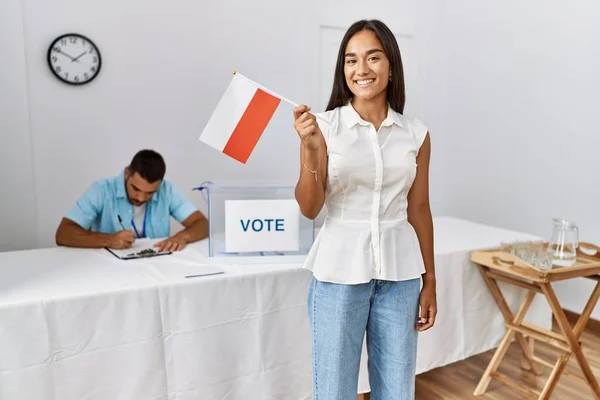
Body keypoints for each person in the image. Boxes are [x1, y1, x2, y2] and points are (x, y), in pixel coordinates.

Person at [293, 19, 437, 399]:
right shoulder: (322, 127)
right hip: (338, 275)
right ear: (343, 70)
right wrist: (309, 149)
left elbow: (419, 209)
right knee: (335, 390)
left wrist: (431, 281)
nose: (361, 69)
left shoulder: (416, 134)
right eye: (351, 60)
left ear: (391, 67)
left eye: (373, 58)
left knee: (397, 389)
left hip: (401, 277)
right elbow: (310, 208)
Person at [55, 149, 208, 252]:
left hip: (156, 269)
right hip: (109, 270)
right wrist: (108, 240)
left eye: (150, 193)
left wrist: (182, 237)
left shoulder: (166, 190)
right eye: (135, 189)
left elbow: (202, 224)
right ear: (127, 173)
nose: (141, 198)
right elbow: (63, 233)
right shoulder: (101, 190)